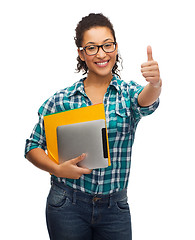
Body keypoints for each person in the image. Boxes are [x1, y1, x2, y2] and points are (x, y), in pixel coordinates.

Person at [25, 13, 161, 240]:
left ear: (115, 48)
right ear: (81, 53)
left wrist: (155, 83)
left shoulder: (127, 93)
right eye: (92, 47)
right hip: (67, 203)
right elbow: (32, 146)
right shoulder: (61, 100)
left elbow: (146, 101)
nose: (101, 54)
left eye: (107, 45)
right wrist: (57, 169)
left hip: (114, 207)